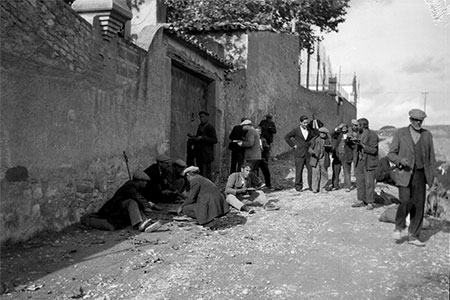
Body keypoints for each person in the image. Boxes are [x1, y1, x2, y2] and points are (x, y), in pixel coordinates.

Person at [387, 109, 437, 247]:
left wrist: (432, 179)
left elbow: (431, 159)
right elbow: (391, 154)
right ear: (410, 120)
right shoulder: (400, 133)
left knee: (419, 205)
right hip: (404, 174)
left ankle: (413, 235)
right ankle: (399, 226)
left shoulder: (427, 135)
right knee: (404, 201)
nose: (418, 123)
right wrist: (400, 160)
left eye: (420, 121)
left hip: (420, 174)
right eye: (415, 120)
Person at [80, 171, 162, 232]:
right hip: (114, 209)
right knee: (131, 203)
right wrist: (149, 205)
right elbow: (139, 198)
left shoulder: (136, 187)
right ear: (139, 181)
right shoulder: (130, 187)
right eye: (144, 181)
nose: (146, 183)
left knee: (135, 206)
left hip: (121, 212)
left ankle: (144, 224)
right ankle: (139, 224)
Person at [351, 118, 379, 210]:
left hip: (369, 162)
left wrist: (362, 146)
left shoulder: (373, 135)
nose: (356, 127)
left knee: (369, 182)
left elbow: (374, 150)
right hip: (359, 161)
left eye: (358, 125)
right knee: (359, 181)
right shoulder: (359, 134)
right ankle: (361, 200)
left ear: (363, 126)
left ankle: (370, 202)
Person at [284, 115, 315, 192]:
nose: (306, 124)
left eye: (307, 123)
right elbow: (286, 137)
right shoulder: (296, 130)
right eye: (304, 123)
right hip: (299, 153)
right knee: (299, 170)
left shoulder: (309, 130)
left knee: (310, 170)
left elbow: (313, 138)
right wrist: (293, 145)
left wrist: (311, 147)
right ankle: (298, 187)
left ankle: (311, 186)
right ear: (300, 123)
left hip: (308, 153)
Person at [238, 120, 271, 188]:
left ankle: (259, 183)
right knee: (252, 171)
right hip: (256, 156)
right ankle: (253, 186)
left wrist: (242, 144)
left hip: (252, 156)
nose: (242, 128)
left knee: (248, 170)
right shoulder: (253, 132)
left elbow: (250, 143)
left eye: (243, 126)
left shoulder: (251, 132)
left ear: (247, 125)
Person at [188, 111, 218, 180]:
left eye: (203, 117)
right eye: (200, 117)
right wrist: (193, 137)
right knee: (200, 170)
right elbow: (198, 137)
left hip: (206, 154)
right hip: (199, 153)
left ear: (207, 117)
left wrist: (203, 138)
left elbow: (214, 140)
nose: (201, 119)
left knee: (206, 173)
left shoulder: (210, 128)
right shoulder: (200, 126)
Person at [330, 123, 354, 191]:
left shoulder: (350, 134)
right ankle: (335, 185)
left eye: (345, 127)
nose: (343, 129)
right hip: (337, 155)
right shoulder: (338, 134)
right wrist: (337, 127)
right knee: (336, 171)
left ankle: (347, 186)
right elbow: (331, 134)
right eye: (342, 128)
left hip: (346, 155)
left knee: (346, 171)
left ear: (347, 128)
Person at [309, 127, 332, 193]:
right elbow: (309, 148)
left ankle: (323, 187)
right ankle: (314, 188)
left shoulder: (328, 140)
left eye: (324, 133)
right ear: (319, 133)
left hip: (324, 158)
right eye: (321, 133)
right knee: (315, 173)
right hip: (315, 158)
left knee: (324, 172)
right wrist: (312, 152)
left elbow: (331, 149)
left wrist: (329, 148)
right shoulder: (315, 140)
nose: (323, 135)